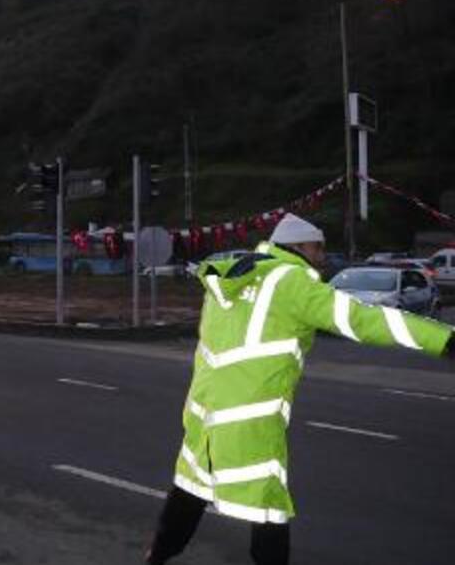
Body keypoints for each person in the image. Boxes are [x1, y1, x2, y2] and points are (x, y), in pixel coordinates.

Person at [145, 214, 454, 565]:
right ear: (297, 247)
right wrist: (444, 339)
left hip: (203, 412)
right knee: (269, 511)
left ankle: (155, 556)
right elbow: (364, 319)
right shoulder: (292, 283)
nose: (323, 256)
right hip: (252, 417)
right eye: (317, 247)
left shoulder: (232, 278)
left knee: (191, 488)